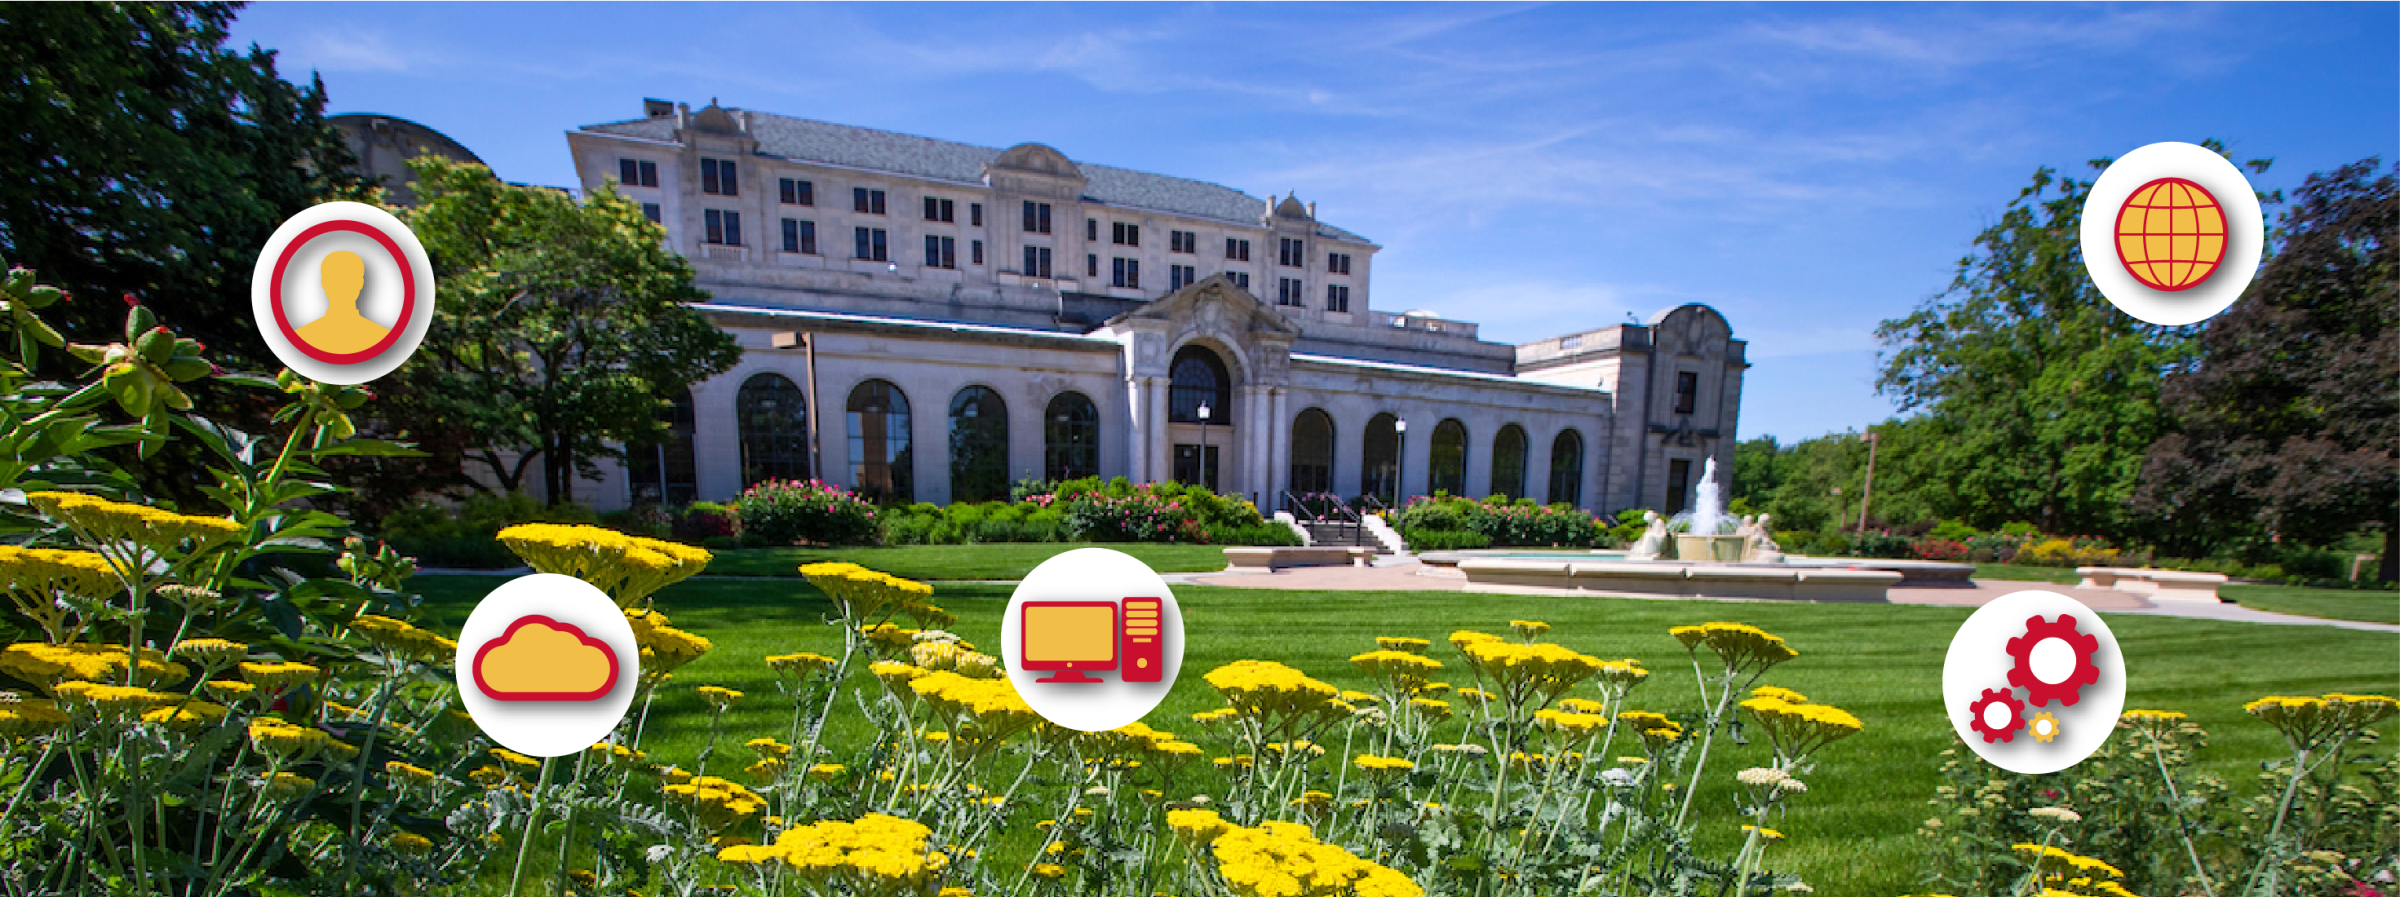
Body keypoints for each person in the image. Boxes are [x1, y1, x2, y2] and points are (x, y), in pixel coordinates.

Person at [294, 250, 389, 354]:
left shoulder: (380, 336)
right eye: (335, 278)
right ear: (324, 283)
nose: (342, 286)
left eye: (349, 278)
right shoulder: (304, 335)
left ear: (360, 283)